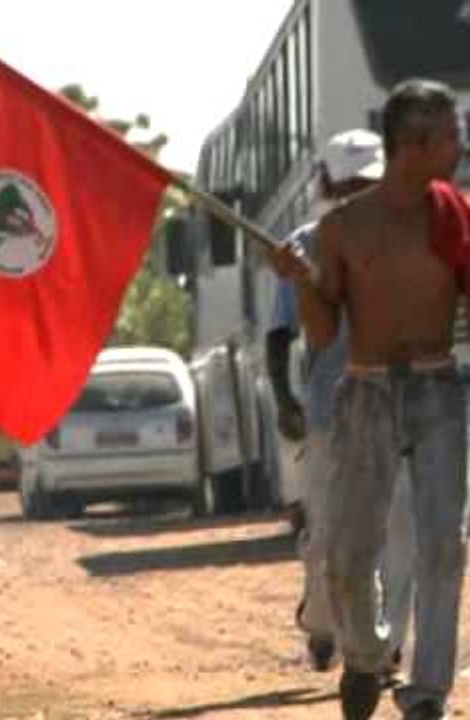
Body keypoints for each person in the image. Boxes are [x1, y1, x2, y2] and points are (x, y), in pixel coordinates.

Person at [273, 79, 469, 720]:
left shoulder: (455, 215)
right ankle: (364, 655)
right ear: (413, 143)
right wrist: (302, 282)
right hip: (365, 394)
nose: (460, 143)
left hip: (439, 392)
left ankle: (427, 691)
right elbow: (325, 332)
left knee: (443, 545)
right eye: (450, 132)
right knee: (351, 556)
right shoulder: (342, 229)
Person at [266, 129, 414, 676]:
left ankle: (384, 647)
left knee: (401, 533)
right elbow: (279, 334)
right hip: (330, 413)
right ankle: (323, 623)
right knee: (330, 537)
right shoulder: (304, 246)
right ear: (328, 183)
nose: (356, 192)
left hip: (400, 407)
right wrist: (284, 400)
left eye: (367, 182)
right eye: (347, 183)